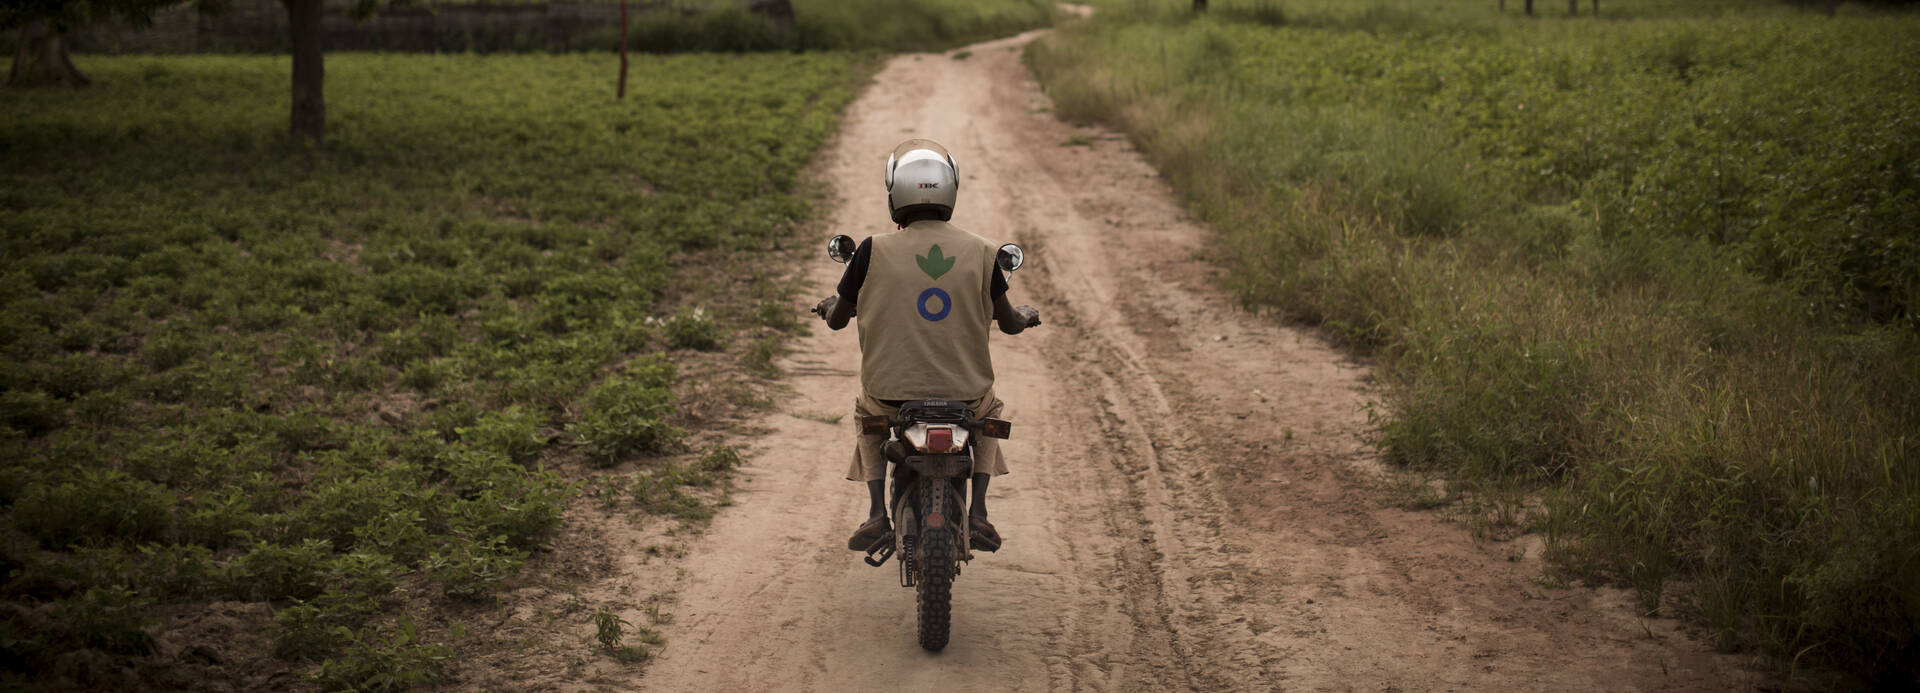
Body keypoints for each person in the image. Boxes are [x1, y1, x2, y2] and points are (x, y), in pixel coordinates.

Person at [814, 139, 1041, 554]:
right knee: (989, 411)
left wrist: (832, 307)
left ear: (894, 193)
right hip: (965, 398)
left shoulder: (869, 250)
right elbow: (1008, 323)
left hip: (889, 395)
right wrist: (1024, 315)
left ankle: (877, 513)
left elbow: (836, 318)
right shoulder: (984, 252)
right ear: (950, 190)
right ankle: (980, 514)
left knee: (867, 413)